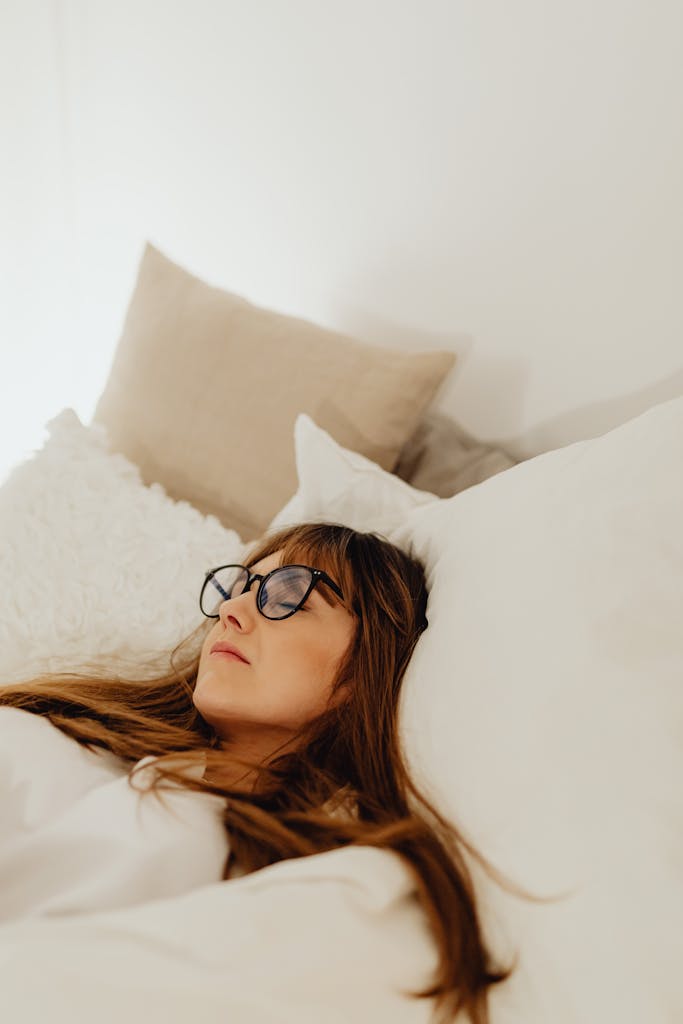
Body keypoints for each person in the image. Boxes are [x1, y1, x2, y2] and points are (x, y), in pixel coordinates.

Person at [0, 521, 531, 1024]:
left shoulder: (343, 891)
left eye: (287, 595)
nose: (231, 610)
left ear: (364, 666)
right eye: (238, 588)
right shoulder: (69, 735)